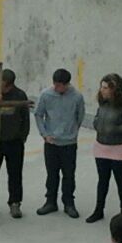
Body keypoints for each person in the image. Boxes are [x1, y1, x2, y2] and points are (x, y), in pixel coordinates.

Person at [86, 74, 122, 223]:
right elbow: (98, 116)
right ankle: (98, 210)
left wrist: (116, 128)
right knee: (102, 180)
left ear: (114, 89)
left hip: (119, 148)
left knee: (120, 180)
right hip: (101, 146)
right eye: (101, 87)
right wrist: (96, 122)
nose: (102, 90)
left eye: (105, 88)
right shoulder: (102, 102)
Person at [35, 68, 85, 218]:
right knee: (52, 174)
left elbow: (80, 115)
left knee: (69, 174)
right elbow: (38, 114)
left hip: (69, 143)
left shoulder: (77, 97)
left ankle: (69, 203)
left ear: (67, 84)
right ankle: (50, 201)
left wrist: (73, 132)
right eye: (55, 85)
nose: (57, 88)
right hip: (51, 143)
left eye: (60, 85)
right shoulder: (46, 95)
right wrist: (45, 134)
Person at [0, 68, 31, 218]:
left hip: (14, 141)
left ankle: (15, 202)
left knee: (15, 172)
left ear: (9, 85)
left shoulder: (19, 95)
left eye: (2, 83)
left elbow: (25, 118)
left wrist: (22, 137)